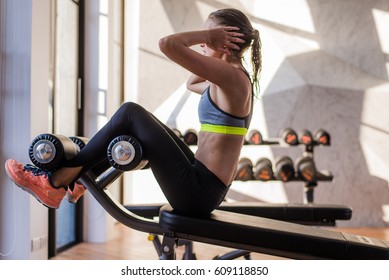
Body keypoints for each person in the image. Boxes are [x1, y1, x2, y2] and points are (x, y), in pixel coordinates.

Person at [5, 8, 262, 216]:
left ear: (228, 41)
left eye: (210, 36)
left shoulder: (232, 78)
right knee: (145, 124)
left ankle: (56, 182)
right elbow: (192, 84)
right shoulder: (227, 80)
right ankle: (76, 180)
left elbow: (167, 44)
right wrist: (215, 47)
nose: (203, 42)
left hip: (198, 192)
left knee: (130, 113)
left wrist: (211, 40)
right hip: (202, 182)